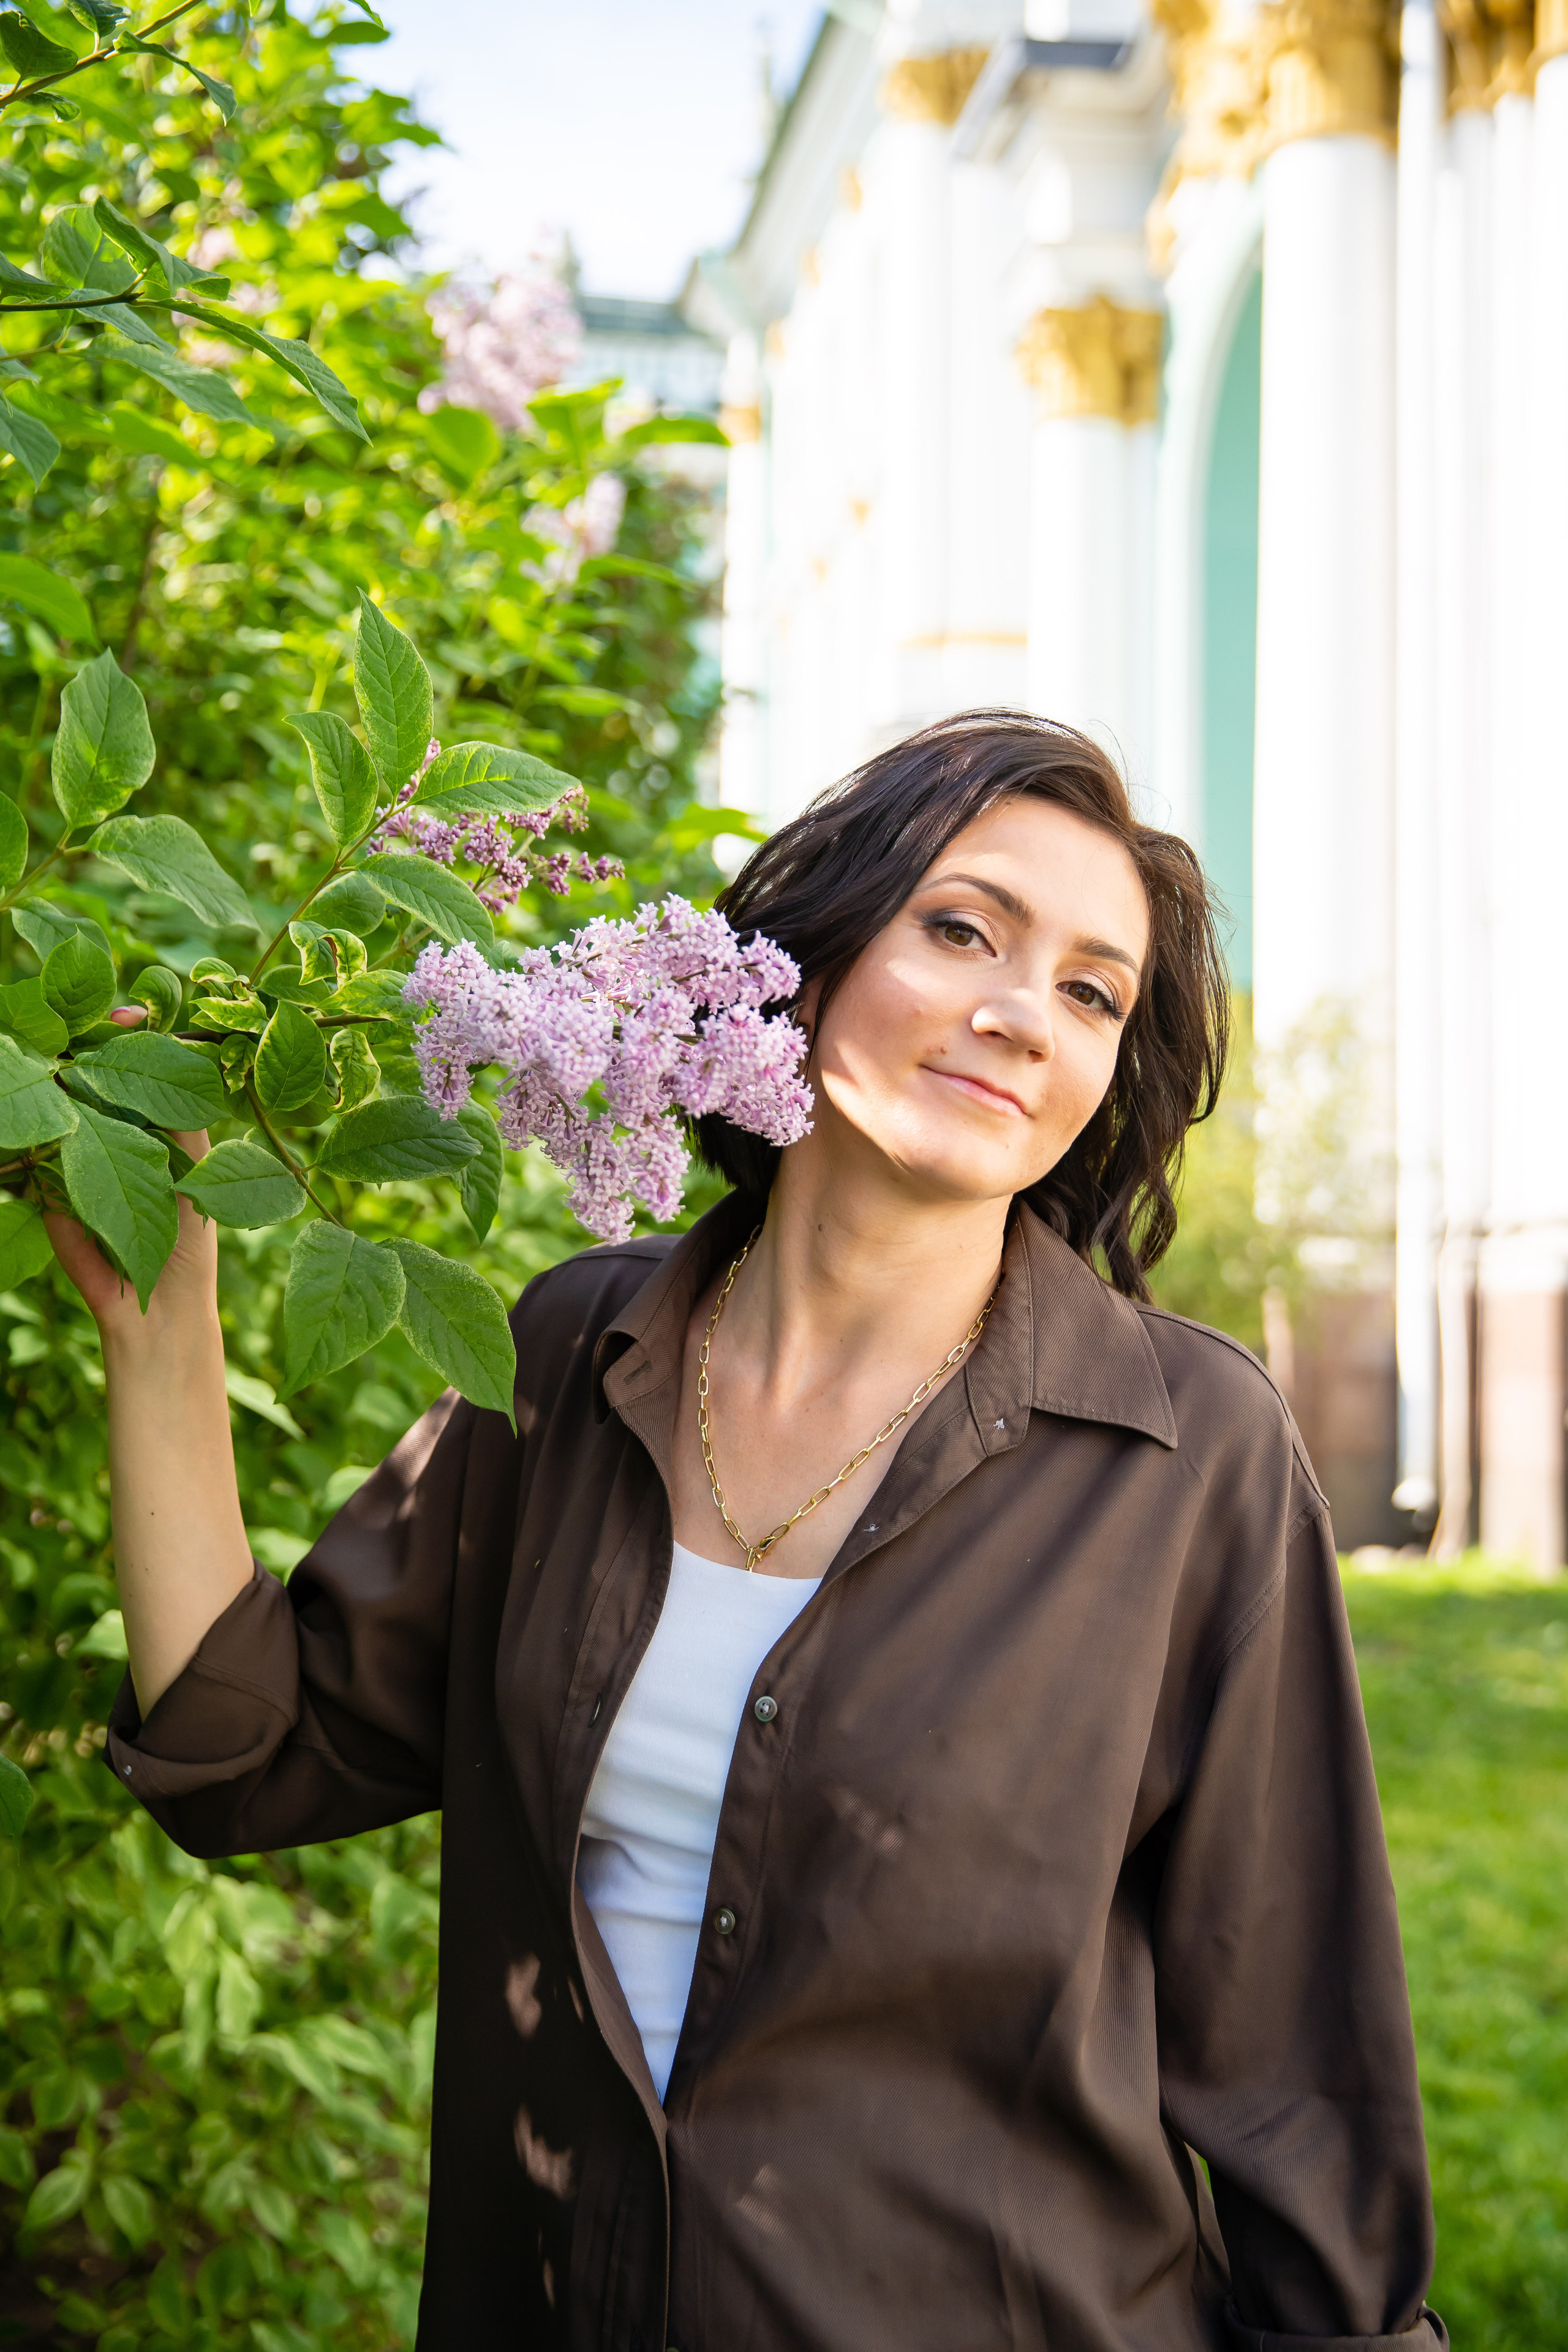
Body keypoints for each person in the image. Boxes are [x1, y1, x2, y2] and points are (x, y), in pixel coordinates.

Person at [53, 713, 1447, 2352]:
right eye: (963, 929)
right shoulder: (571, 1358)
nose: (1021, 1015)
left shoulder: (1187, 1456)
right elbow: (253, 1751)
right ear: (818, 946)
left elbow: (1300, 2087)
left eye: (1091, 992)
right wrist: (160, 1329)